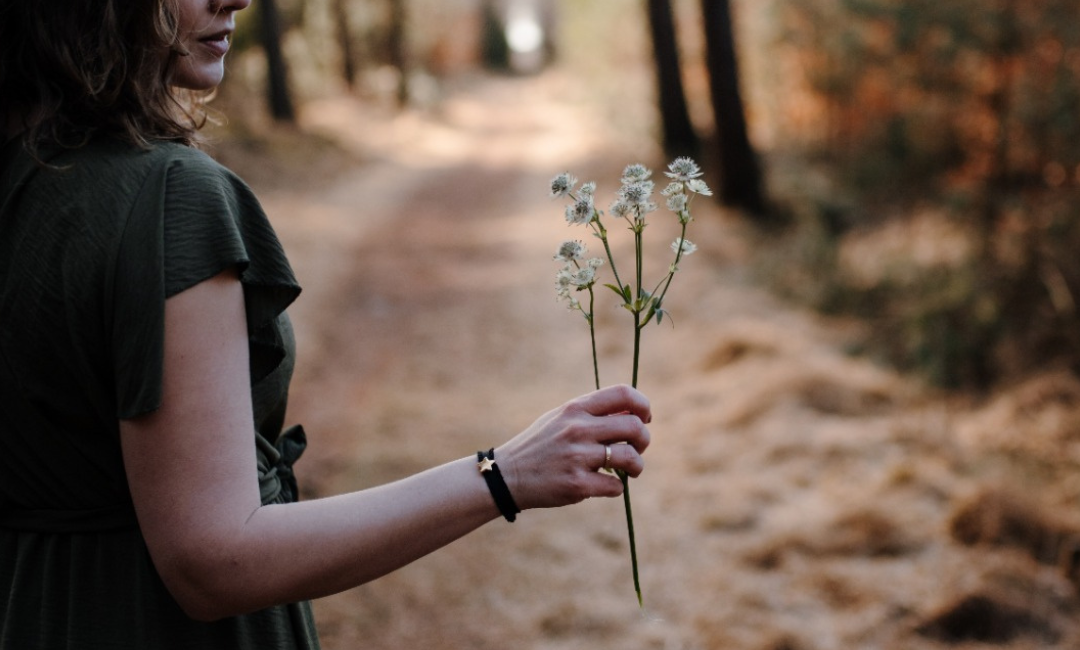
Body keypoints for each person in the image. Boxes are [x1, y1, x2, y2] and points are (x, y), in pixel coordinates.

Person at [0, 0, 652, 648]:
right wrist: (503, 474)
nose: (236, 0)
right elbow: (213, 561)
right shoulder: (167, 197)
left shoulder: (24, 174)